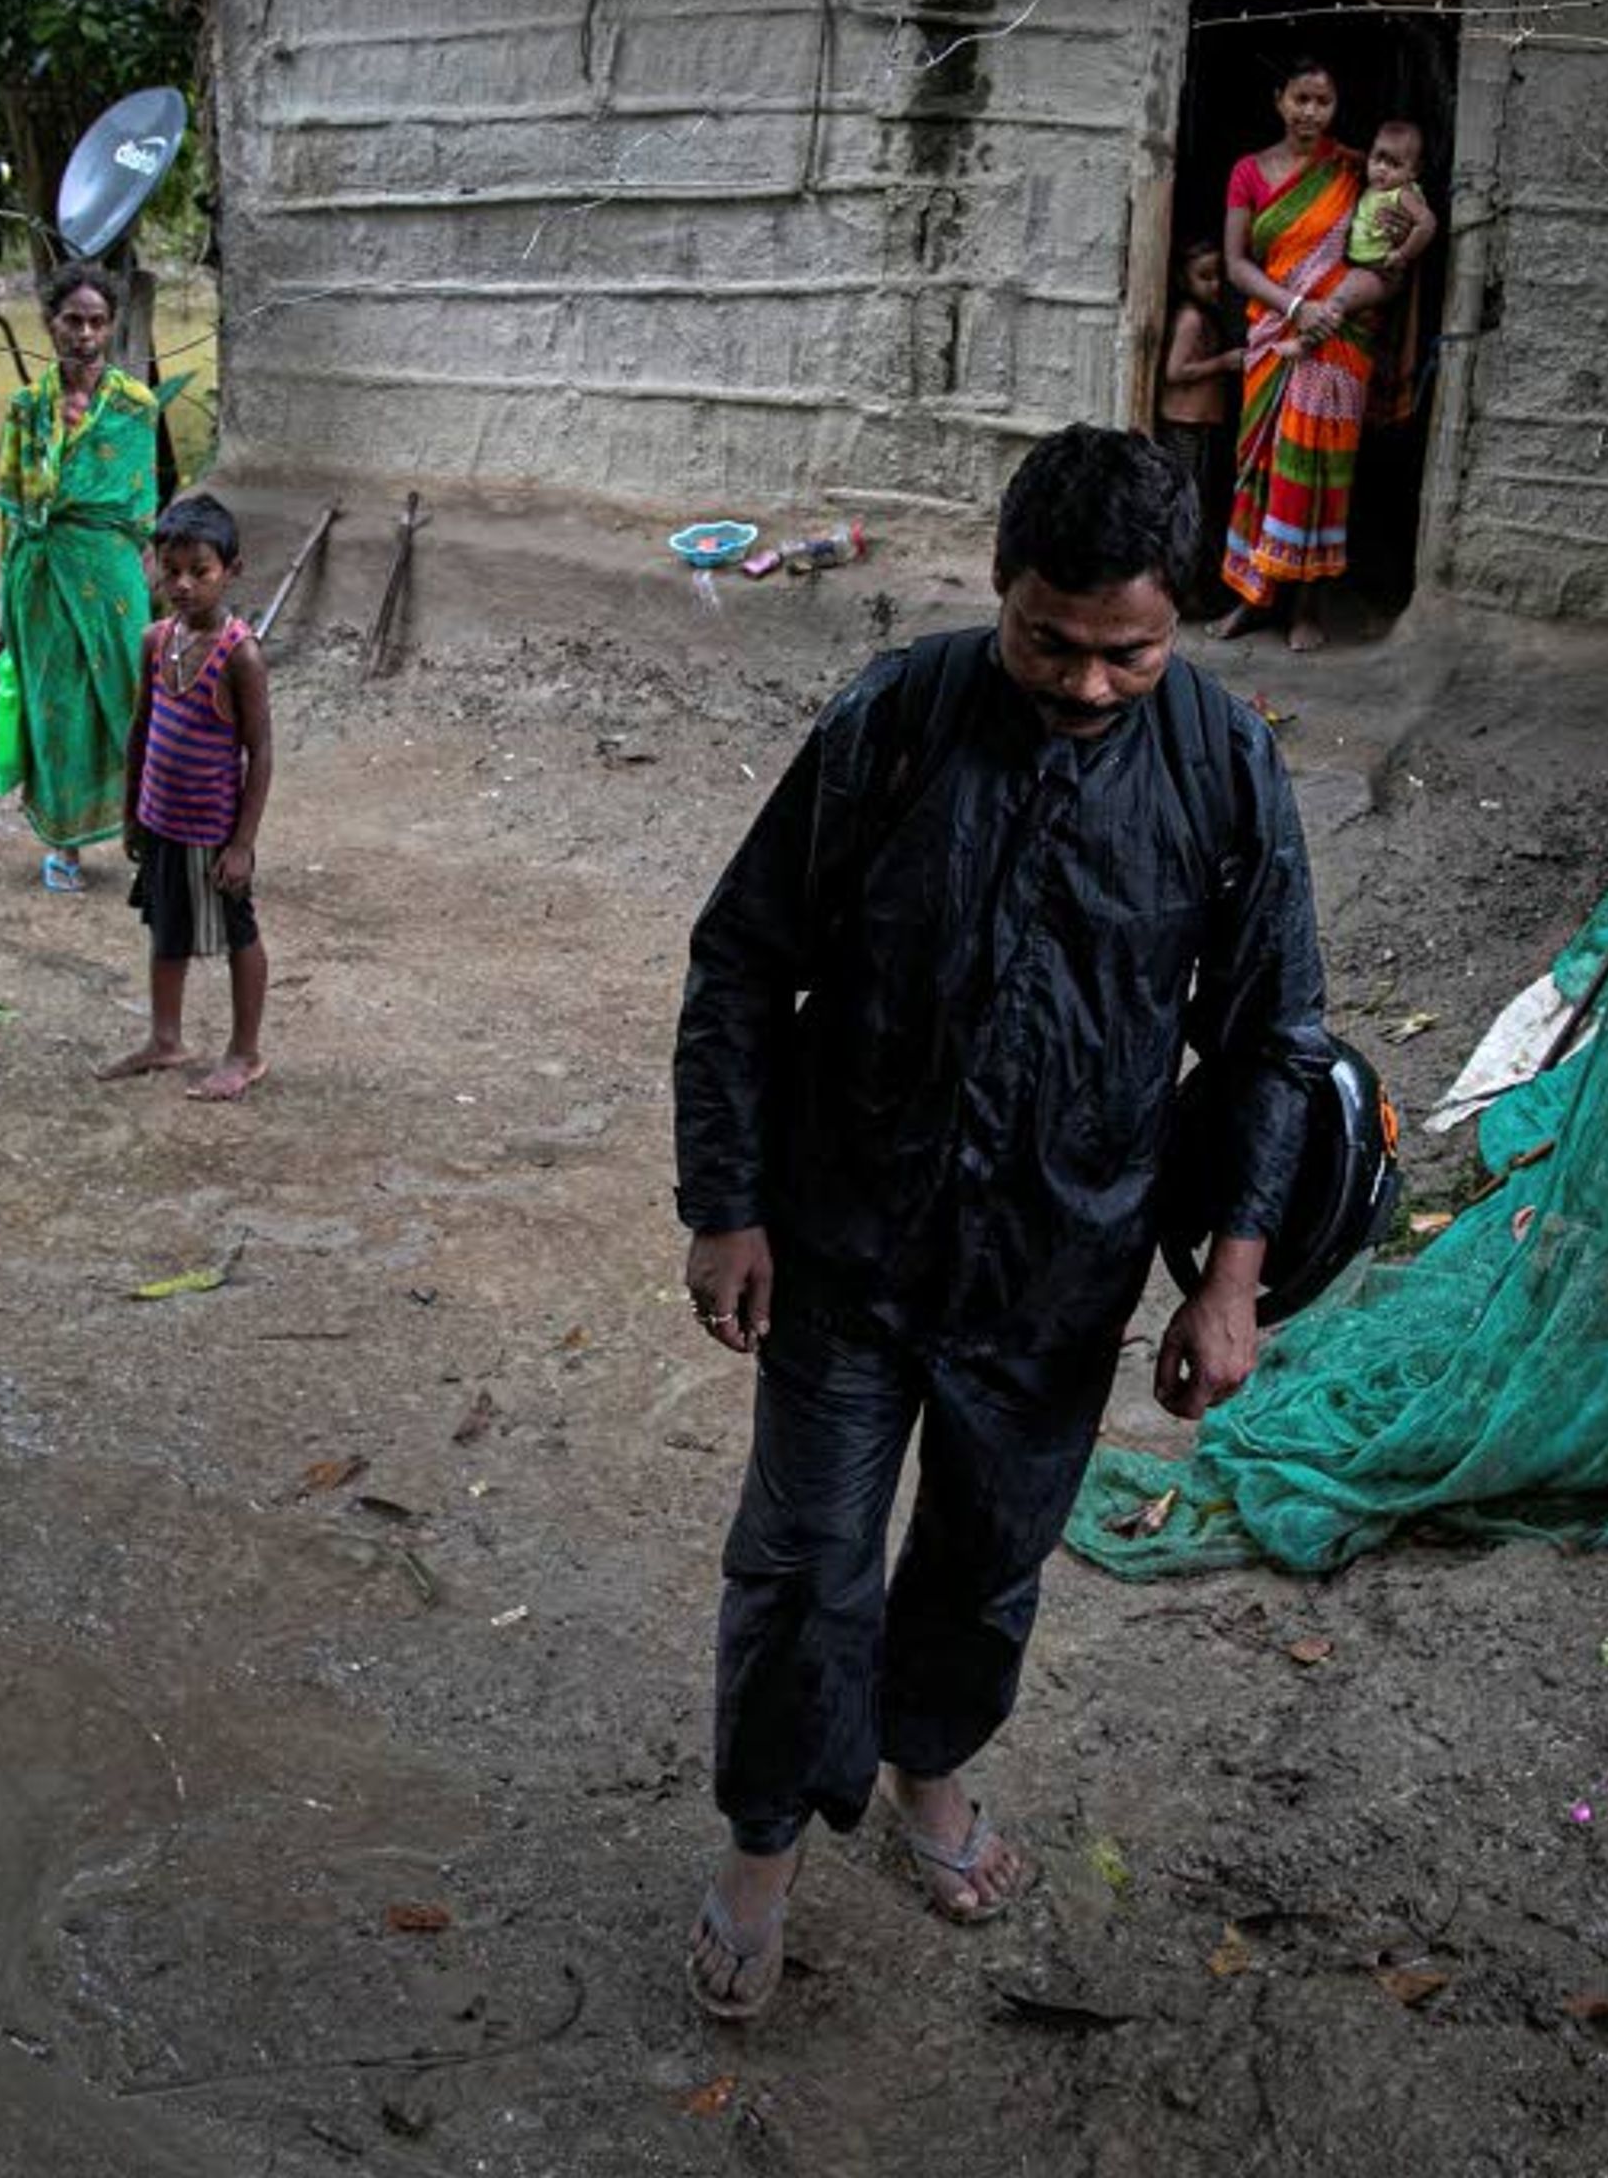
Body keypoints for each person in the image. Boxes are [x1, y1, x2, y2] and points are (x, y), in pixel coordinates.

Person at [673, 424, 1335, 2023]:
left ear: (1182, 622)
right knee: (807, 1560)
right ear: (999, 587)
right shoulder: (894, 720)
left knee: (984, 1559)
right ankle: (760, 1854)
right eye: (1052, 641)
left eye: (1131, 652)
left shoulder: (1223, 765)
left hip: (1058, 1265)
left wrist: (1228, 1284)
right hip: (844, 1247)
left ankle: (929, 1777)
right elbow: (745, 960)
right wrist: (728, 1204)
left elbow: (1272, 1039)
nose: (1089, 683)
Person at [0, 261, 191, 892]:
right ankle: (66, 848)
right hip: (41, 574)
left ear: (112, 328)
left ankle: (154, 835)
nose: (84, 334)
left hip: (110, 574)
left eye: (97, 322)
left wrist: (155, 586)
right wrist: (4, 601)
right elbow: (10, 508)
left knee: (134, 698)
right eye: (72, 321)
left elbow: (140, 511)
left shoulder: (135, 405)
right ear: (50, 325)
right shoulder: (27, 409)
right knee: (57, 708)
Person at [1215, 63, 1406, 655]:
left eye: (1322, 101)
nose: (1310, 112)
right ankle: (1252, 596)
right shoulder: (1248, 172)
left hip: (1341, 343)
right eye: (1300, 98)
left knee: (1323, 476)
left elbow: (1387, 259)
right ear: (1278, 101)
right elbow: (1237, 264)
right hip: (1277, 334)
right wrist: (1297, 306)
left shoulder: (1355, 169)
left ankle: (1308, 604)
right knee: (1262, 470)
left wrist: (1337, 308)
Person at [96, 493, 274, 1103]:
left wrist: (243, 843)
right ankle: (165, 1038)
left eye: (200, 571)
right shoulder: (154, 641)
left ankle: (245, 1054)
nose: (183, 584)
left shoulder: (240, 655)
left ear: (231, 570)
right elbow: (141, 730)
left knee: (238, 934)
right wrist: (130, 814)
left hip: (213, 828)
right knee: (165, 927)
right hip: (161, 820)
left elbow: (261, 753)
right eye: (170, 571)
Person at [1155, 245, 1242, 599]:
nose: (1216, 284)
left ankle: (1191, 583)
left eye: (1218, 275)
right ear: (1181, 278)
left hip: (1199, 426)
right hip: (1183, 427)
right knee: (1184, 505)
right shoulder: (1190, 318)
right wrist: (1223, 363)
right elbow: (1174, 373)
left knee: (1199, 503)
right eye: (1204, 276)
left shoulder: (1206, 315)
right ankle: (1178, 586)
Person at [1340, 117, 1438, 324]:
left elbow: (1427, 223)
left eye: (1394, 164)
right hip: (1359, 263)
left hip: (1381, 269)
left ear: (1413, 171)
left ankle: (1303, 343)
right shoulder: (1372, 189)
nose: (1382, 168)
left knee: (1338, 300)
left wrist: (1403, 254)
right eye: (1378, 159)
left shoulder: (1401, 194)